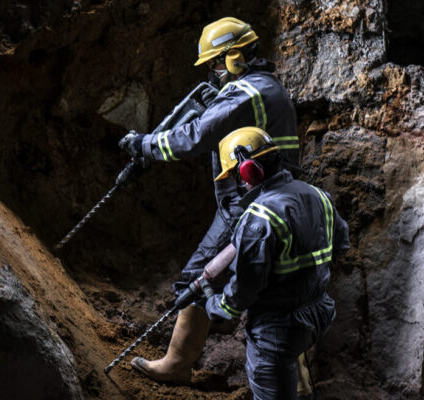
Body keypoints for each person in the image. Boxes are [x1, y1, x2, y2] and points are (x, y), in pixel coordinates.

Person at [118, 17, 309, 390]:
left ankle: (176, 364)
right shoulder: (265, 87)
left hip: (249, 206)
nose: (214, 70)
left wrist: (146, 146)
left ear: (236, 57)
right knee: (281, 294)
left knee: (196, 279)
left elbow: (196, 136)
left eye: (217, 62)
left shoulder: (247, 93)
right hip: (274, 200)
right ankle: (299, 387)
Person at [204, 127, 350, 399]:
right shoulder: (319, 195)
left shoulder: (258, 218)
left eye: (237, 176)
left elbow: (245, 290)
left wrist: (216, 303)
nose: (239, 184)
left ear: (249, 171)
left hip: (277, 331)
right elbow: (340, 245)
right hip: (318, 313)